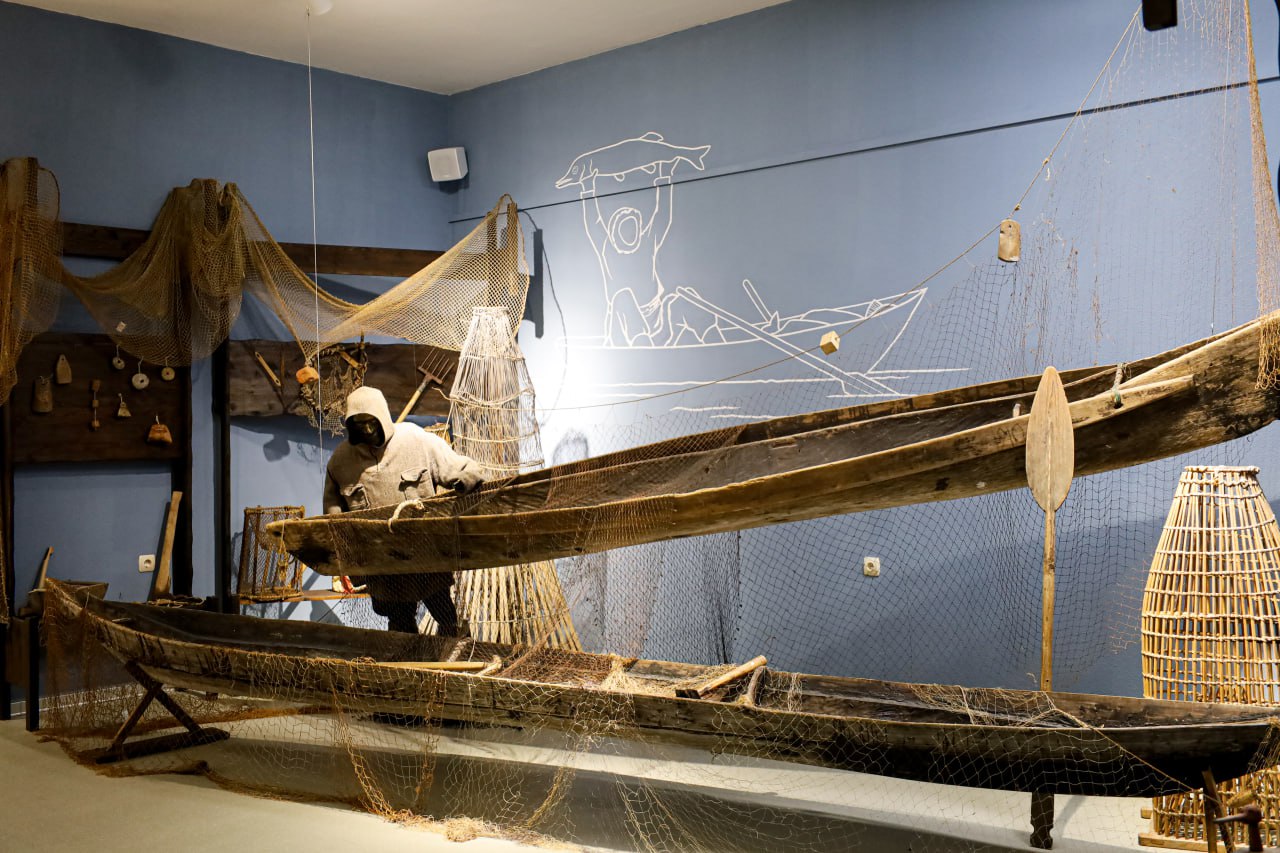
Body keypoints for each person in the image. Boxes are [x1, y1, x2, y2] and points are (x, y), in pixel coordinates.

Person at [323, 386, 484, 635]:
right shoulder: (341, 461)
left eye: (371, 422)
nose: (367, 430)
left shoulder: (415, 440)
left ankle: (454, 649)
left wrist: (466, 481)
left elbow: (465, 469)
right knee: (400, 627)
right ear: (350, 426)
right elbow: (333, 514)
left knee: (447, 619)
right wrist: (347, 560)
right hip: (382, 564)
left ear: (382, 418)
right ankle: (405, 657)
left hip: (426, 557)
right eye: (359, 424)